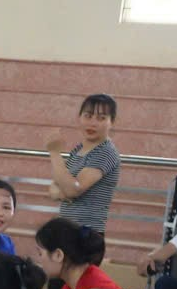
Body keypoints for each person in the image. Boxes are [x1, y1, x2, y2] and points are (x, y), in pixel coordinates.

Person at [47, 94, 121, 235]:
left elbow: (73, 190)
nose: (92, 123)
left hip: (87, 233)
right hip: (67, 229)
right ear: (79, 117)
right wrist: (63, 190)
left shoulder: (105, 151)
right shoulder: (79, 149)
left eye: (101, 118)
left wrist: (54, 152)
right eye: (88, 116)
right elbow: (54, 187)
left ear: (112, 122)